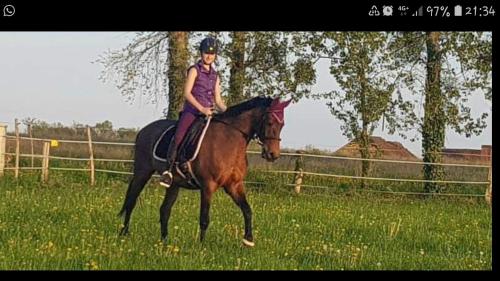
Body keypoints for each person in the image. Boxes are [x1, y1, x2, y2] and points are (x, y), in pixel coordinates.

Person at [160, 37, 227, 188]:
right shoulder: (194, 70)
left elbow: (218, 99)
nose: (209, 56)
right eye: (206, 53)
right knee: (179, 135)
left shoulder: (215, 76)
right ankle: (168, 171)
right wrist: (201, 108)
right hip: (192, 111)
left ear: (215, 55)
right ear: (201, 53)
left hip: (208, 114)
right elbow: (187, 93)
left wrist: (228, 112)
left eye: (212, 54)